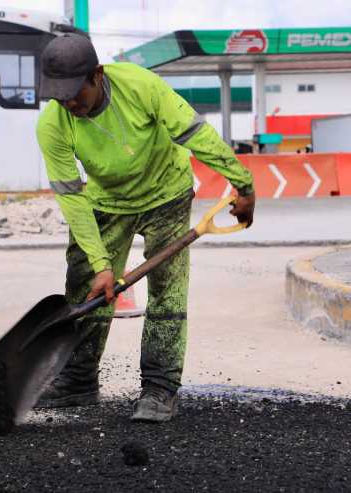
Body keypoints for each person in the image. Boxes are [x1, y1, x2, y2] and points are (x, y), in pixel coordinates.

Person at [35, 33, 255, 422]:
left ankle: (159, 387)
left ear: (97, 75)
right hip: (106, 204)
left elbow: (194, 134)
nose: (68, 103)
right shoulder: (53, 123)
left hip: (166, 195)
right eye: (58, 95)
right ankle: (79, 381)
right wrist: (103, 265)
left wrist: (242, 182)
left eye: (74, 93)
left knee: (167, 293)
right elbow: (72, 198)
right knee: (86, 287)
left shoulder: (140, 85)